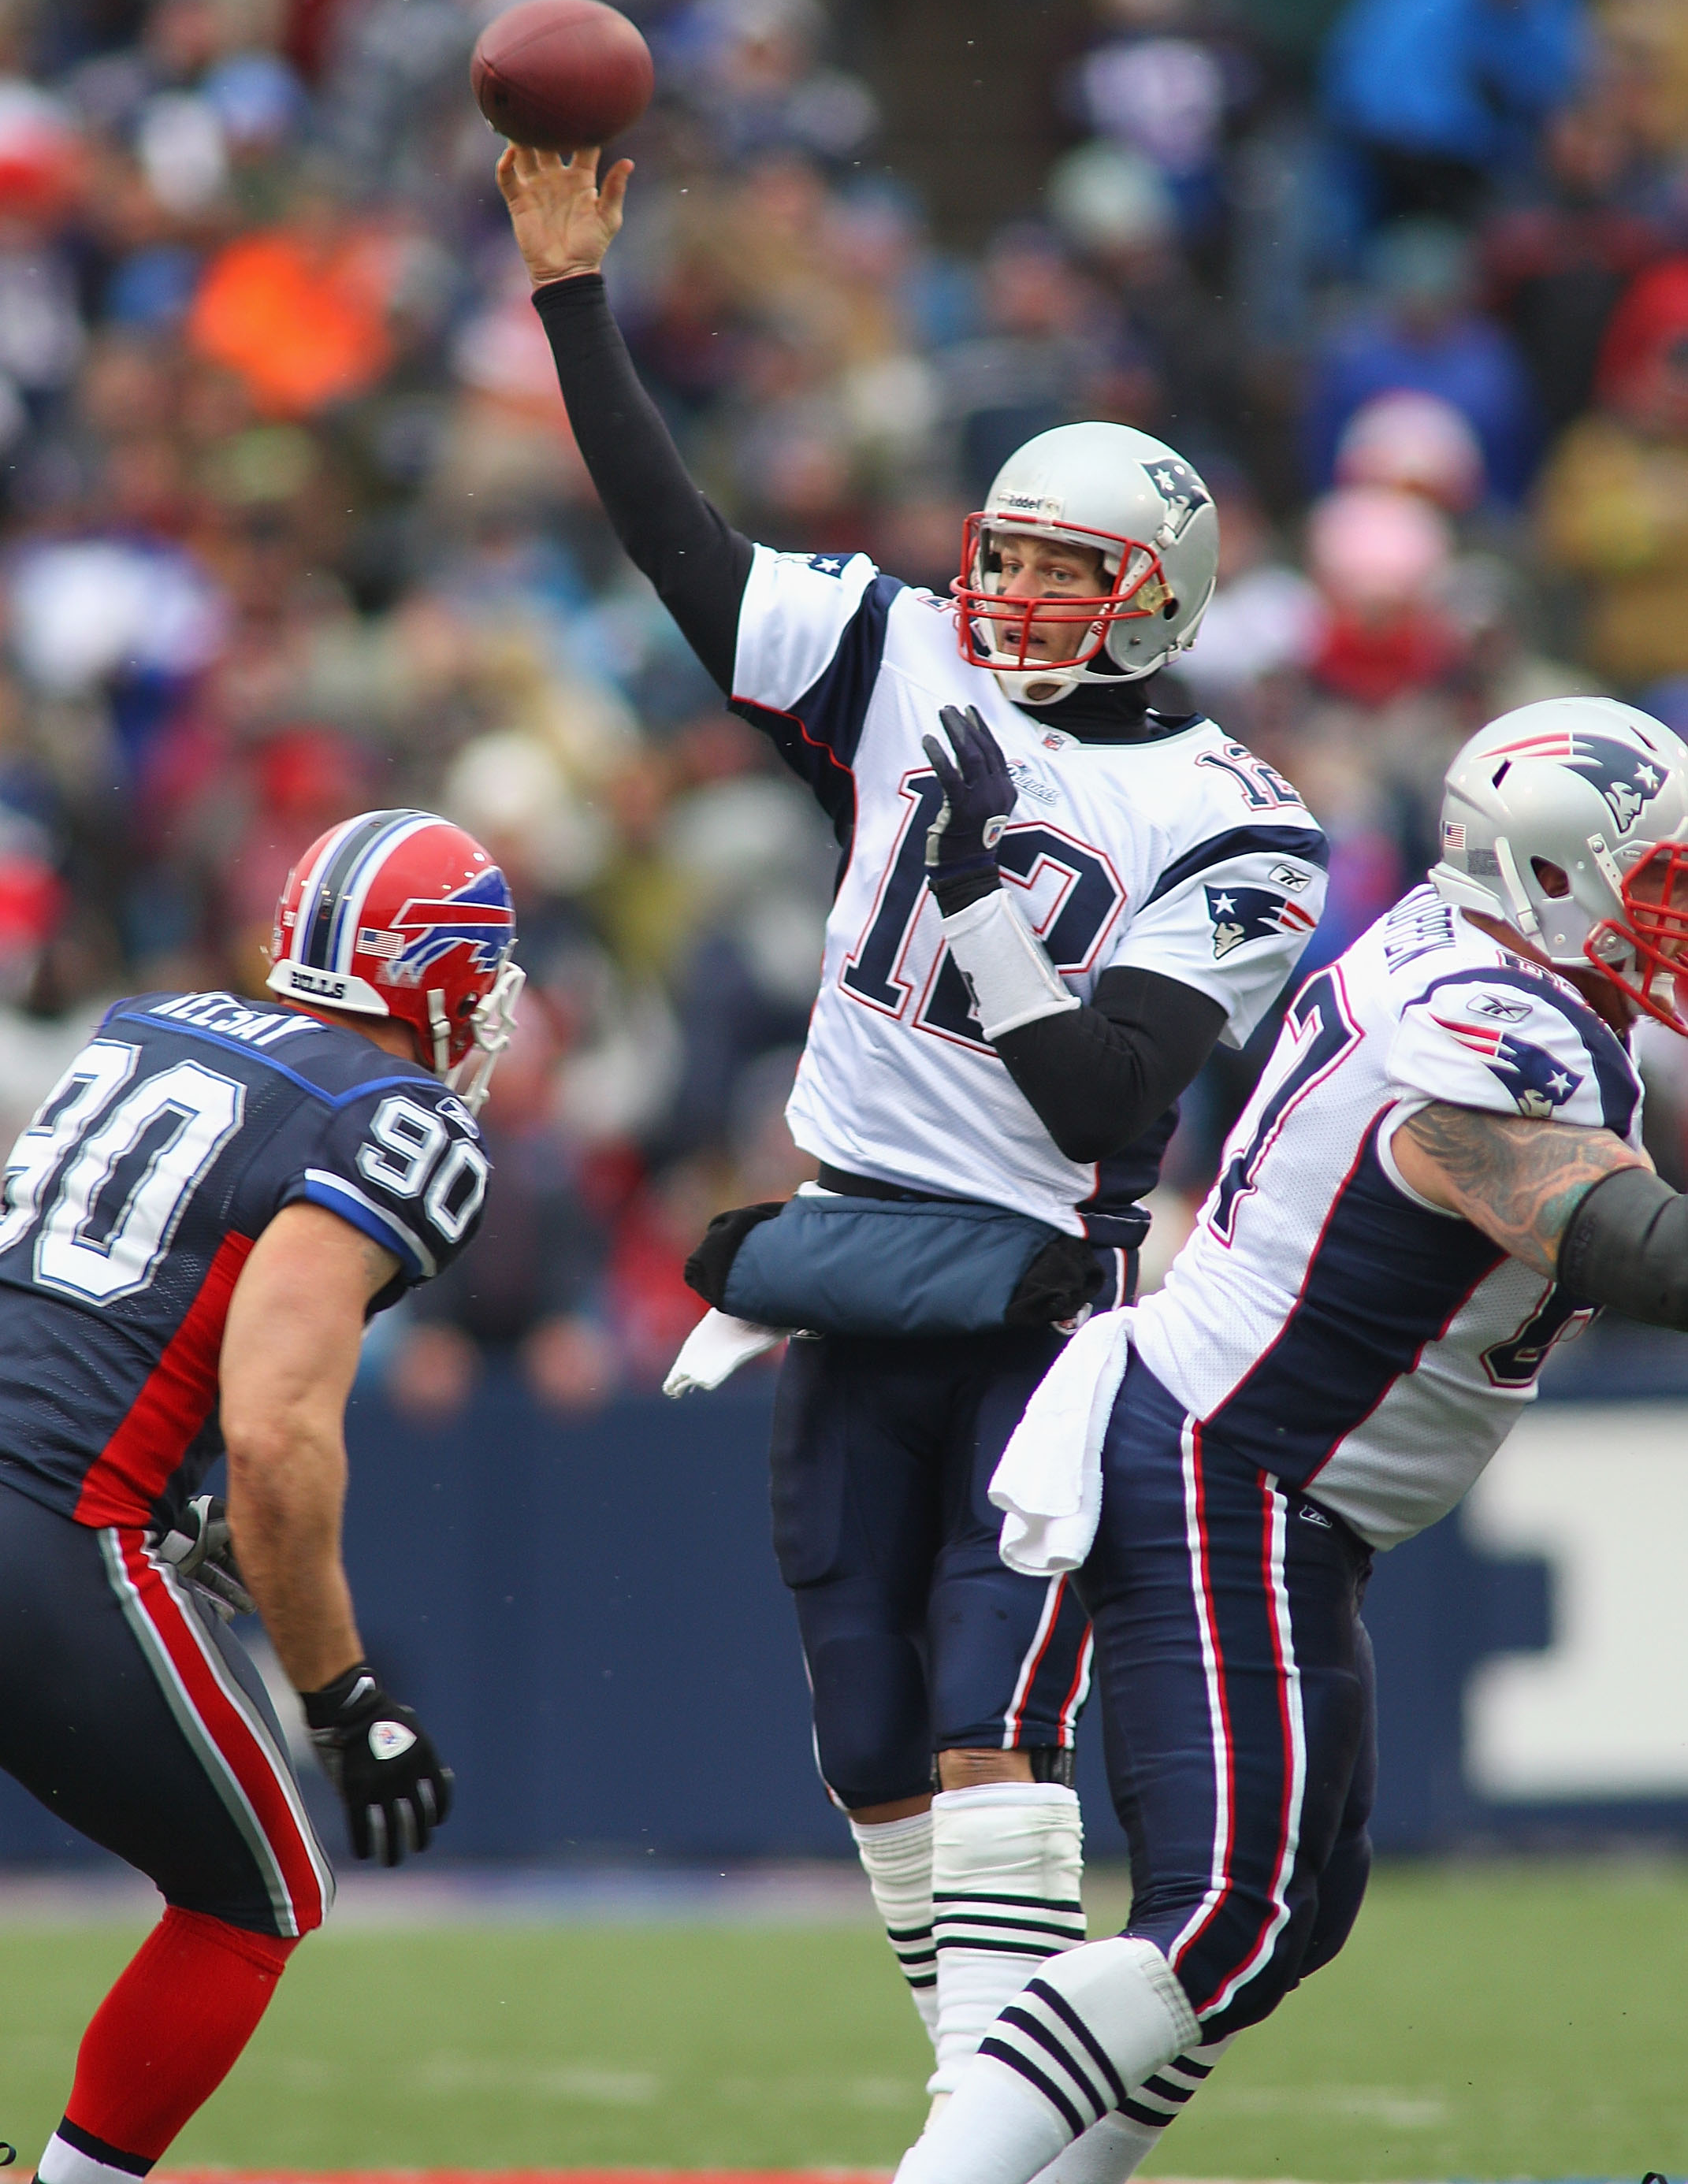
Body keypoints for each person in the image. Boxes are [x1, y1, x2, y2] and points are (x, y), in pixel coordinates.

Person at [498, 142, 1329, 2152]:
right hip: (853, 1255)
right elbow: (680, 548)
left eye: (1070, 569)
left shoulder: (1244, 819)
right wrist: (574, 300)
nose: (1019, 594)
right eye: (1010, 554)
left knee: (990, 1708)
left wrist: (966, 902)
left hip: (1044, 1295)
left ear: (1164, 598)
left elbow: (1111, 1100)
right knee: (864, 1728)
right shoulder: (908, 658)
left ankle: (981, 2119)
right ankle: (986, 2092)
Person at [897, 695, 1688, 2184]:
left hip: (1267, 1486)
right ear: (1545, 873)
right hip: (1230, 1465)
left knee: (1293, 1911)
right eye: (1655, 879)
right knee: (1223, 1909)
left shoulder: (1460, 965)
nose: (1671, 915)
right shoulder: (1492, 1029)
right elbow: (1630, 1247)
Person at [0, 808, 522, 2184]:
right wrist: (344, 1695)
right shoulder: (393, 1117)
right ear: (445, 982)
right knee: (262, 1889)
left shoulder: (145, 1023)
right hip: (48, 1520)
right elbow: (279, 1432)